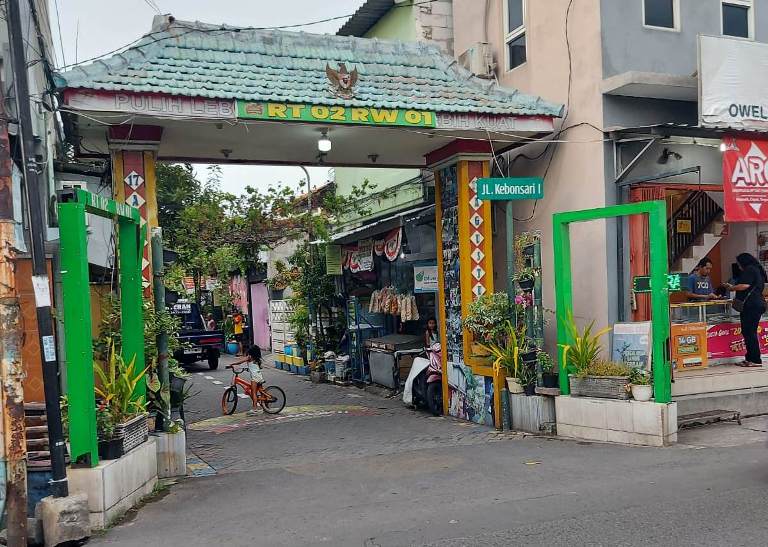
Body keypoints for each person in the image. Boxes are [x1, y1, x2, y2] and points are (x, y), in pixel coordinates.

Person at [725, 253, 767, 367]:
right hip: (757, 304)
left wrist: (731, 287)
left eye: (739, 263)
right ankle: (751, 358)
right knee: (750, 332)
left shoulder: (749, 269)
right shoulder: (758, 270)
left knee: (749, 332)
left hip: (751, 305)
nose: (738, 266)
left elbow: (744, 285)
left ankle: (755, 360)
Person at [232, 345, 264, 413]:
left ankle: (255, 409)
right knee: (261, 391)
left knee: (253, 392)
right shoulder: (257, 359)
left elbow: (240, 362)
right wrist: (249, 368)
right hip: (259, 376)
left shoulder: (249, 357)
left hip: (255, 377)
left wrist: (232, 364)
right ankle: (265, 405)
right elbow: (258, 367)